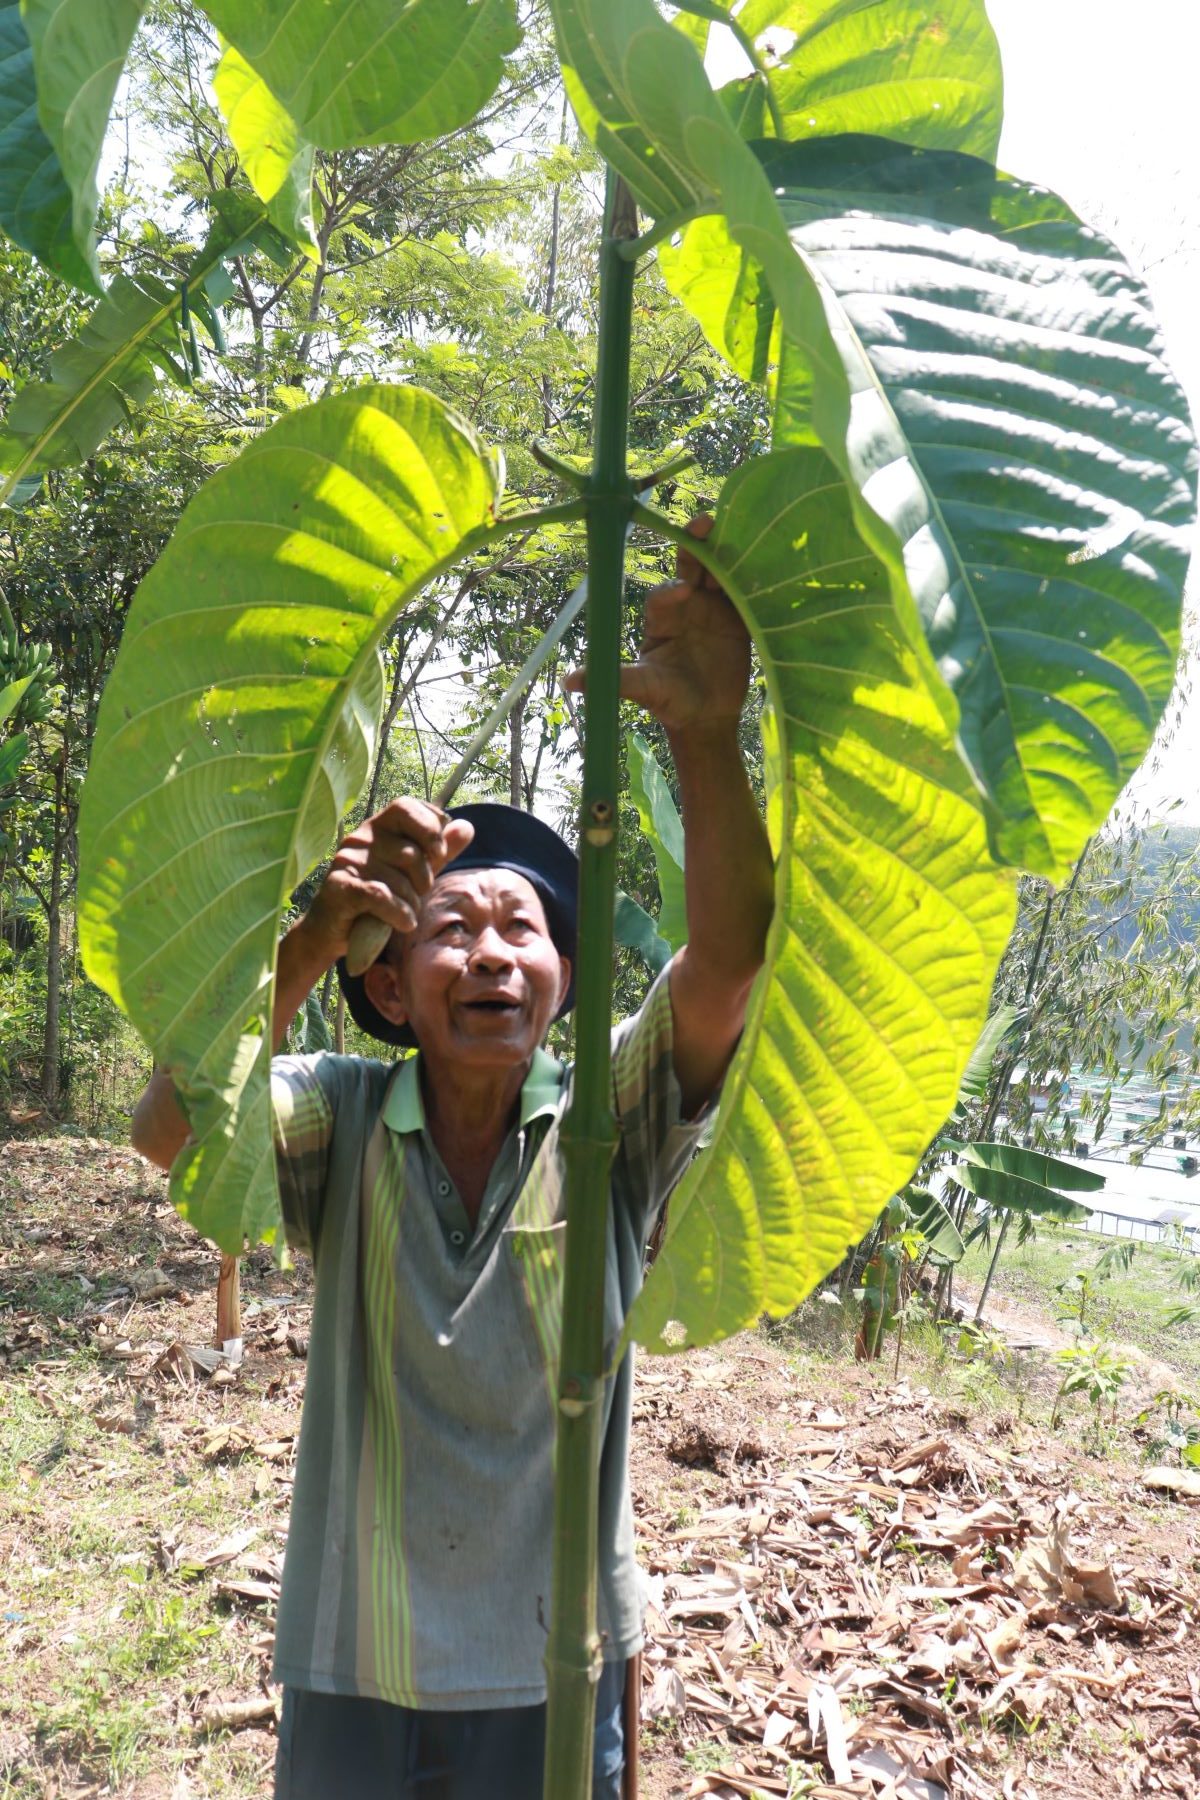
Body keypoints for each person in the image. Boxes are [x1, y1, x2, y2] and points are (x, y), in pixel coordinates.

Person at [131, 520, 774, 1798]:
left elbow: (728, 965)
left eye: (520, 930)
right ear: (389, 987)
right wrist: (312, 935)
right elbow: (167, 1130)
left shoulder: (607, 1120)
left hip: (554, 1664)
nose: (490, 953)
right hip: (356, 1655)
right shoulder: (340, 1117)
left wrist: (706, 735)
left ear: (564, 982)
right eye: (449, 929)